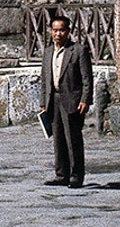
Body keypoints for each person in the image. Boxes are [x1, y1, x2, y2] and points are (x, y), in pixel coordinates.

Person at [39, 15, 94, 189]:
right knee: (58, 138)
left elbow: (87, 78)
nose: (58, 34)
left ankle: (76, 174)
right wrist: (43, 101)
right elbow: (44, 79)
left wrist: (85, 100)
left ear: (68, 31)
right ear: (50, 31)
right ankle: (61, 174)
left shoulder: (78, 50)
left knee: (73, 138)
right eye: (55, 30)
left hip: (72, 99)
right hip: (53, 99)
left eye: (62, 30)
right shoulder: (48, 52)